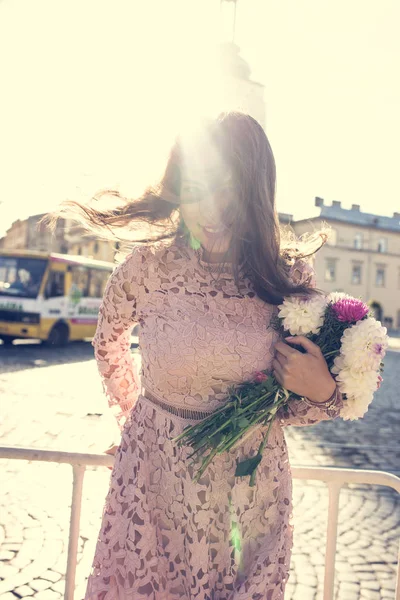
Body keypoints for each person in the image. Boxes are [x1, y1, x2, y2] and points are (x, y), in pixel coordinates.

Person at [51, 112, 343, 599]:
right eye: (194, 190)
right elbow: (109, 342)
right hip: (152, 479)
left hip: (250, 493)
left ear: (255, 191)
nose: (209, 209)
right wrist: (136, 424)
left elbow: (293, 401)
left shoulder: (290, 279)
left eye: (226, 189)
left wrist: (324, 391)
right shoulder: (145, 268)